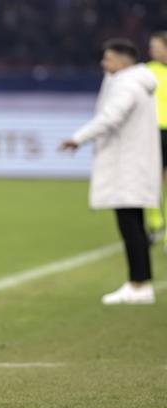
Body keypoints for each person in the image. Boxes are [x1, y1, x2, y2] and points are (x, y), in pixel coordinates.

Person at [59, 39, 161, 305]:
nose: (104, 64)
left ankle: (139, 284)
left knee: (130, 228)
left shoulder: (127, 86)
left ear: (122, 62)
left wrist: (78, 138)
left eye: (108, 59)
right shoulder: (134, 82)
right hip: (133, 163)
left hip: (127, 165)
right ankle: (140, 283)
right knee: (134, 226)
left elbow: (110, 117)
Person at [145, 31, 167, 250]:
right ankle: (155, 223)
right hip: (152, 131)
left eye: (156, 46)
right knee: (151, 179)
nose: (152, 50)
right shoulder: (146, 71)